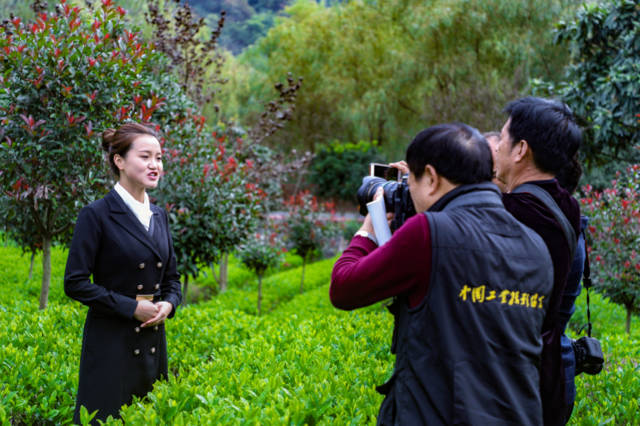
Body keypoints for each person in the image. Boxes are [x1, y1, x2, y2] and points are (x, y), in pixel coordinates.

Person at [330, 123, 554, 425]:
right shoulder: (535, 246)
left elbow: (344, 288)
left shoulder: (429, 233)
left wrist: (368, 230)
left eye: (412, 183)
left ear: (432, 179)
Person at [64, 123, 182, 423]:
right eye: (145, 157)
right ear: (119, 161)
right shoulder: (96, 215)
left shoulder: (159, 216)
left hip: (153, 341)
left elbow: (172, 280)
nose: (155, 165)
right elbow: (75, 283)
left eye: (159, 157)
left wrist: (168, 304)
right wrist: (132, 308)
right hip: (111, 345)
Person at [491, 97, 582, 425]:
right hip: (546, 374)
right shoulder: (566, 205)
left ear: (520, 150)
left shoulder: (514, 212)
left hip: (507, 383)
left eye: (502, 138)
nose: (497, 147)